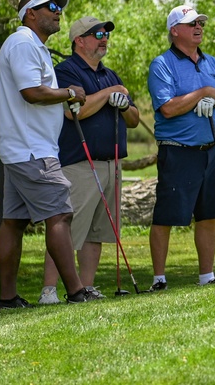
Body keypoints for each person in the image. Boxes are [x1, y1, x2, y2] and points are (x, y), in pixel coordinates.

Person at [0, 0, 101, 309]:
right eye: (52, 7)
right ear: (30, 13)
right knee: (60, 215)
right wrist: (69, 92)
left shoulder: (29, 44)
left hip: (20, 148)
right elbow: (31, 92)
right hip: (32, 151)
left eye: (60, 8)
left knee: (13, 221)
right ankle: (77, 291)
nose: (58, 12)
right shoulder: (24, 43)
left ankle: (8, 299)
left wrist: (62, 96)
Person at [37, 16, 141, 304]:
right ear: (79, 41)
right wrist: (109, 95)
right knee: (67, 229)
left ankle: (85, 286)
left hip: (112, 162)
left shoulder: (111, 76)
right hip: (80, 163)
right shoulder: (66, 70)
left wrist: (122, 105)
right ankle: (49, 290)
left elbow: (134, 119)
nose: (103, 37)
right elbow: (74, 112)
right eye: (96, 33)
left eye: (105, 33)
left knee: (97, 230)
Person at [146, 5, 215, 291]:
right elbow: (168, 108)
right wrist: (204, 93)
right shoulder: (162, 64)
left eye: (200, 22)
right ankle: (159, 279)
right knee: (166, 216)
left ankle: (206, 276)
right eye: (190, 23)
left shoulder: (213, 64)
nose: (198, 27)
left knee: (209, 215)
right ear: (175, 31)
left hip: (211, 150)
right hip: (178, 150)